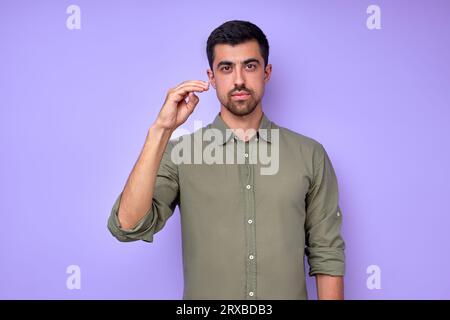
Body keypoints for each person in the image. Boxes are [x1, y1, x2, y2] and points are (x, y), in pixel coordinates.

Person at [108, 20, 345, 300]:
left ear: (266, 72)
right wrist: (160, 130)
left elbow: (326, 252)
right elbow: (128, 225)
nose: (239, 80)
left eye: (250, 66)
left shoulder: (310, 154)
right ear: (211, 76)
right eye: (226, 68)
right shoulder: (180, 153)